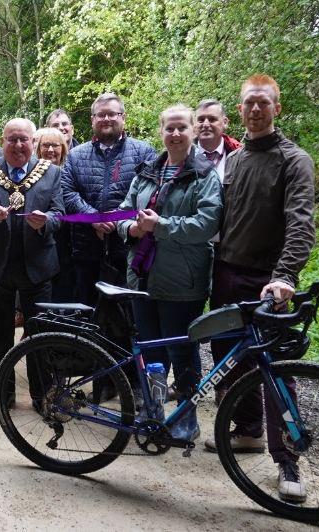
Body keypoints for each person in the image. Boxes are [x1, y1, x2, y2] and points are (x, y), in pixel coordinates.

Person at [202, 74, 316, 504]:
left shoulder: (294, 160)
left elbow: (302, 224)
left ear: (276, 109)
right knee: (229, 357)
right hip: (227, 274)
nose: (255, 110)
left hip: (269, 280)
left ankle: (288, 460)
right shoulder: (233, 159)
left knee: (275, 370)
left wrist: (286, 275)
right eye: (249, 103)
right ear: (241, 108)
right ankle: (247, 431)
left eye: (263, 103)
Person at [116, 104, 222, 440]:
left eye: (181, 128)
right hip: (143, 278)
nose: (175, 135)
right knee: (150, 350)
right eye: (169, 129)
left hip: (183, 281)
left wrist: (160, 226)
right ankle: (153, 412)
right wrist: (129, 230)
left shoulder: (204, 175)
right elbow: (123, 212)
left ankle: (185, 420)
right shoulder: (148, 170)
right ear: (160, 131)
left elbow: (206, 225)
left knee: (183, 351)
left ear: (192, 130)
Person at [0, 118, 65, 414]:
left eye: (23, 140)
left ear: (33, 142)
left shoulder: (51, 173)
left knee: (39, 335)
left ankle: (41, 395)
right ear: (2, 142)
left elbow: (60, 215)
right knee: (0, 334)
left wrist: (45, 222)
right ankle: (4, 394)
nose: (18, 145)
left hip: (38, 267)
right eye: (12, 140)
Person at [61, 93, 156, 306]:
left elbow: (151, 195)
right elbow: (67, 193)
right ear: (92, 119)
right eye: (100, 115)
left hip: (130, 250)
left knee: (128, 316)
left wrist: (119, 218)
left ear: (123, 117)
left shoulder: (144, 152)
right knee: (88, 313)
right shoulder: (75, 155)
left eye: (112, 114)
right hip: (87, 250)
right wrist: (92, 217)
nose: (106, 119)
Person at [34, 127, 74, 303]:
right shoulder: (31, 175)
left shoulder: (70, 172)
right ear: (39, 148)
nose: (50, 150)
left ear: (63, 148)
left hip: (69, 240)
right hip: (41, 238)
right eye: (46, 145)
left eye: (55, 146)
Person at [193, 99, 242, 182]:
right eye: (201, 120)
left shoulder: (239, 155)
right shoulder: (184, 156)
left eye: (212, 119)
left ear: (225, 122)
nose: (205, 124)